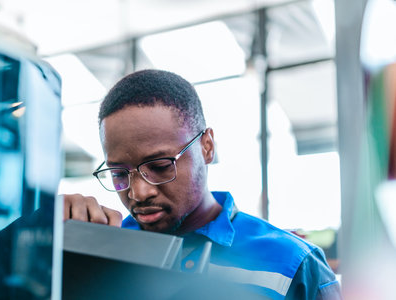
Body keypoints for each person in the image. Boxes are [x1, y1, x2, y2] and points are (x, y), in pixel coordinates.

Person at [64, 69, 342, 300]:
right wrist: (44, 241)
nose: (139, 192)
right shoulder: (100, 251)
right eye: (119, 174)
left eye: (160, 166)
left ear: (207, 147)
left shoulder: (293, 264)